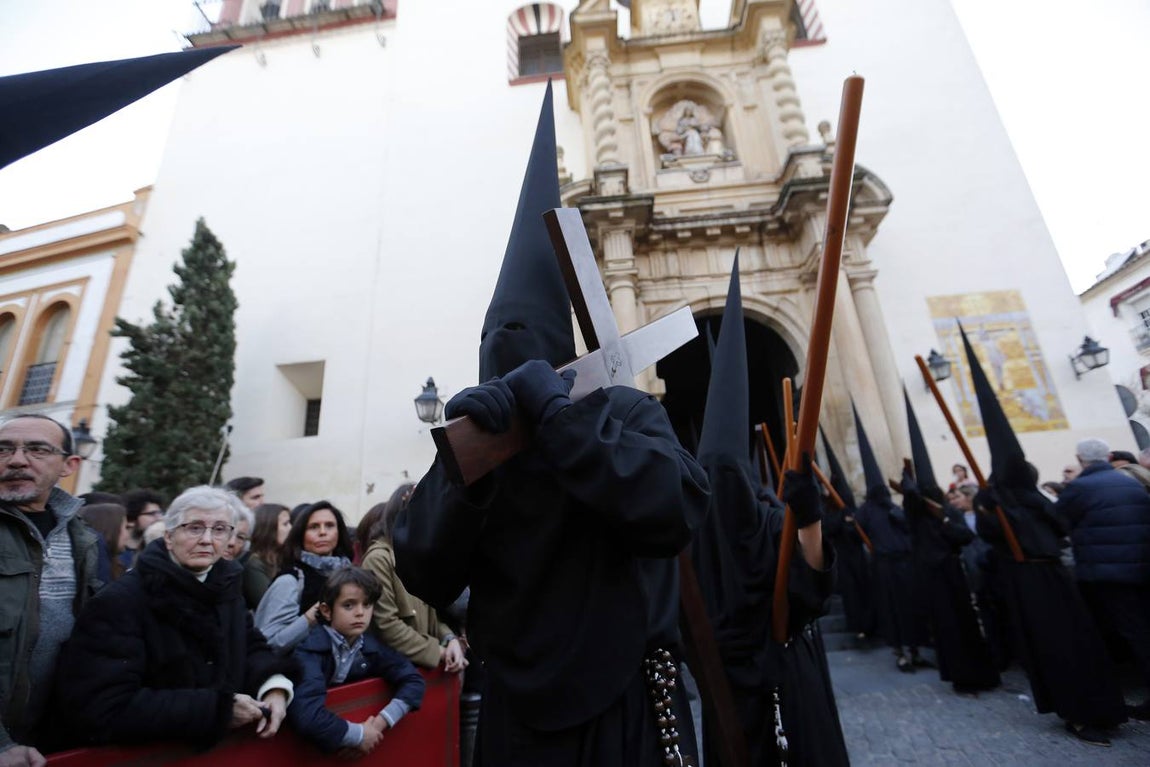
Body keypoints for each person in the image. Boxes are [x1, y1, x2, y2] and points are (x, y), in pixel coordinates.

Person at [394, 83, 711, 767]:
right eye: (497, 341)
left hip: (628, 711)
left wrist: (564, 424)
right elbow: (421, 568)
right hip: (519, 720)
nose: (509, 348)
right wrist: (460, 477)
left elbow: (675, 508)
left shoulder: (625, 411)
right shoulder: (480, 442)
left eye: (523, 338)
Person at [53, 486, 298, 749]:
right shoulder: (120, 601)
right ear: (169, 536)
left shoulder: (225, 586)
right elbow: (101, 706)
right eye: (194, 527)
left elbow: (249, 646)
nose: (207, 539)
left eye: (219, 529)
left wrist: (274, 685)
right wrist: (216, 710)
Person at [0, 414, 102, 766]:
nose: (16, 459)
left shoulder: (80, 535)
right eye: (4, 449)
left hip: (47, 736)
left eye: (37, 449)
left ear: (69, 465)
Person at [1056, 438, 1150, 719]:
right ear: (1107, 457)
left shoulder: (1081, 488)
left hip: (1106, 572)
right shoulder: (1130, 482)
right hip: (1139, 567)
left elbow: (1056, 521)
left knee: (1130, 634)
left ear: (1080, 458)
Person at [286, 567, 425, 756]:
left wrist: (378, 724)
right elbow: (307, 715)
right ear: (326, 611)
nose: (360, 613)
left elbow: (413, 680)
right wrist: (358, 735)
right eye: (349, 605)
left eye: (367, 604)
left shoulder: (370, 647)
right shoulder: (309, 651)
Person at [360, 484, 466, 673]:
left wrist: (450, 641)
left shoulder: (418, 558)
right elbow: (386, 624)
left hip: (425, 666)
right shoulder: (378, 558)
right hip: (396, 670)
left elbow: (434, 617)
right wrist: (438, 652)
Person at [255, 501, 354, 654]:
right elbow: (270, 643)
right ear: (301, 534)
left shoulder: (351, 574)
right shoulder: (290, 580)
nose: (322, 532)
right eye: (313, 527)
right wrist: (312, 616)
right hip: (297, 671)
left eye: (329, 525)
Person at [244, 503, 292, 610]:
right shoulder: (255, 565)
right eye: (285, 524)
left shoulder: (284, 558)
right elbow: (270, 608)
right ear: (270, 528)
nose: (291, 528)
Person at [79, 503, 131, 581]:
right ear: (111, 529)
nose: (128, 535)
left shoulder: (114, 564)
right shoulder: (98, 570)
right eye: (126, 527)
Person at [120, 489, 164, 571]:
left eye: (160, 513)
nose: (160, 518)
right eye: (152, 514)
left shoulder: (156, 550)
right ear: (131, 520)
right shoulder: (117, 555)